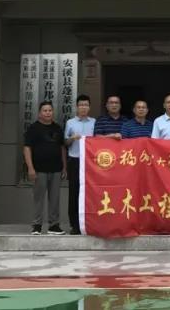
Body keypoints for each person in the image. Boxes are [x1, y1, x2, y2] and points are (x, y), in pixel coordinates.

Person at [23, 100, 66, 235]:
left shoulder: (57, 128)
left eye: (50, 110)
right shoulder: (33, 128)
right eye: (45, 110)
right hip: (39, 169)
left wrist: (64, 167)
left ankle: (54, 225)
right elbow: (27, 148)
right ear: (40, 113)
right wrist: (30, 168)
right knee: (38, 199)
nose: (48, 113)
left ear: (53, 112)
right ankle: (37, 225)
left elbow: (62, 148)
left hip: (56, 169)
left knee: (55, 199)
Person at [63, 94, 95, 235]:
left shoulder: (94, 122)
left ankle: (89, 223)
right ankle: (74, 225)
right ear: (76, 107)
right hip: (75, 160)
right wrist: (72, 138)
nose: (83, 107)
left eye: (86, 105)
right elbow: (65, 143)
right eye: (81, 105)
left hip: (90, 162)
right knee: (74, 193)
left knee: (91, 192)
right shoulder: (70, 123)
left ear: (89, 107)